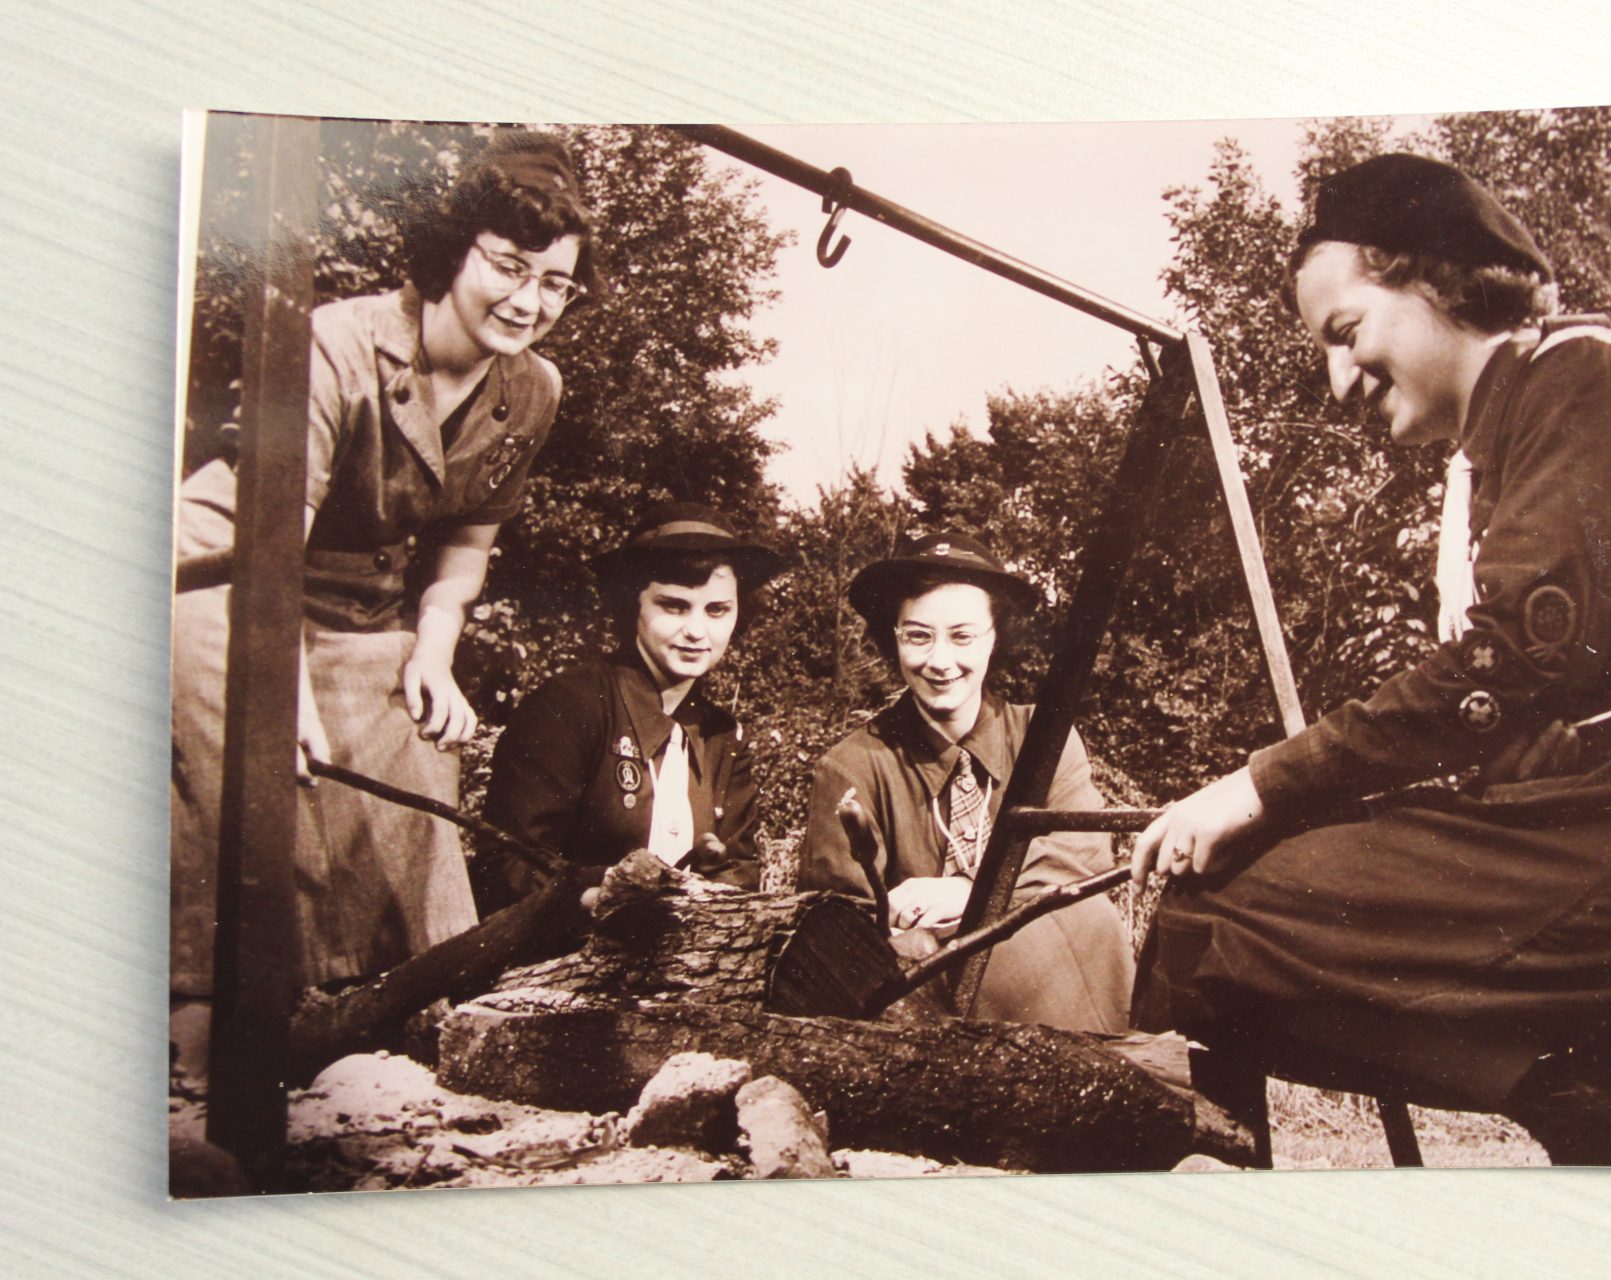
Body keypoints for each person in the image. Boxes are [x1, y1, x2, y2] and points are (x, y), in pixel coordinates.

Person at [1129, 154, 1611, 1166]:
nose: (1339, 380)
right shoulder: (1512, 430)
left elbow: (1509, 658)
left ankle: (1574, 1098)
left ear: (1434, 281)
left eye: (1346, 332)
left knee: (1214, 921)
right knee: (1230, 914)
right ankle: (1591, 1104)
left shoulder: (1582, 372)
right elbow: (1540, 682)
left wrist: (1261, 784)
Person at [171, 130, 598, 1003]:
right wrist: (274, 683)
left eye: (556, 282)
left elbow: (467, 545)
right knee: (253, 741)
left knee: (412, 734)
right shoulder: (335, 342)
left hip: (354, 609)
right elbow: (268, 543)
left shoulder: (533, 390)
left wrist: (433, 649)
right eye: (510, 267)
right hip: (223, 574)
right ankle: (219, 1007)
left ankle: (395, 997)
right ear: (455, 252)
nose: (529, 302)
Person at [799, 533, 1134, 1033]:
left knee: (1093, 921)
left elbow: (1080, 863)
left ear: (995, 636)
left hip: (1056, 988)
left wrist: (968, 895)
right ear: (894, 638)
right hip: (927, 1021)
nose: (939, 661)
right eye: (918, 636)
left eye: (962, 636)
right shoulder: (852, 767)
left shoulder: (1044, 740)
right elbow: (837, 931)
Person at [472, 503, 782, 913]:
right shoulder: (568, 707)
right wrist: (596, 894)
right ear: (631, 603)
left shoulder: (722, 736)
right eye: (673, 606)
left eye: (717, 610)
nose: (696, 630)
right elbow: (504, 867)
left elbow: (738, 873)